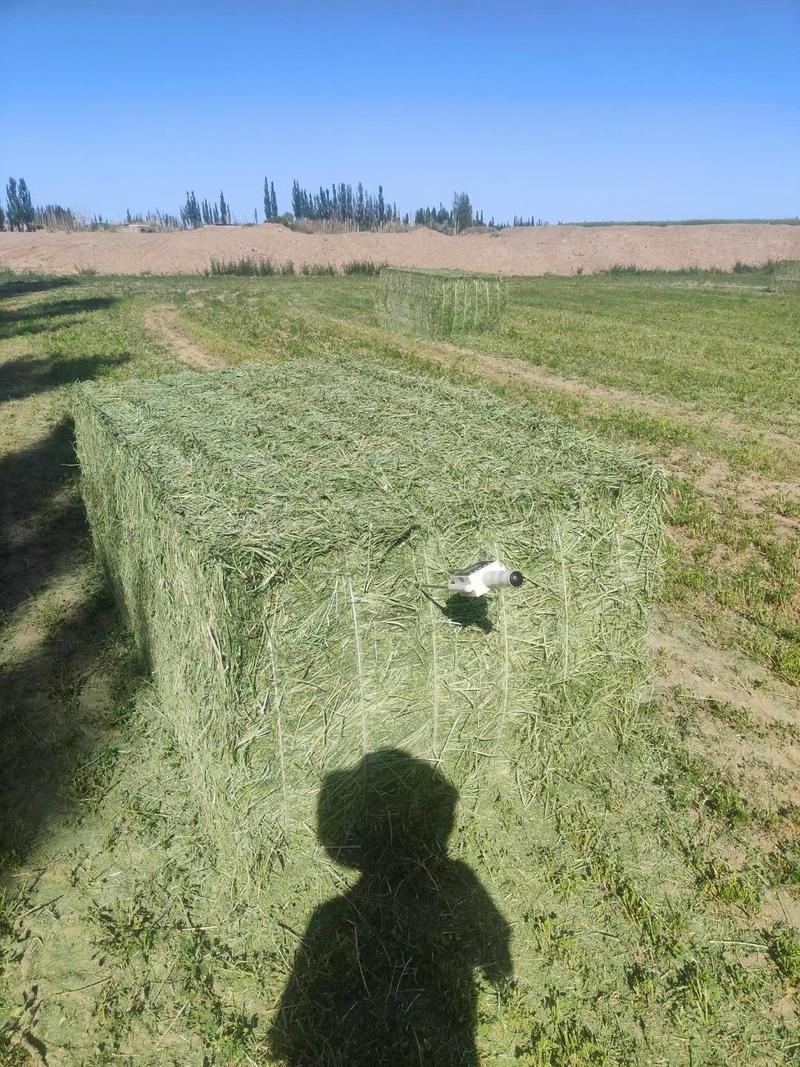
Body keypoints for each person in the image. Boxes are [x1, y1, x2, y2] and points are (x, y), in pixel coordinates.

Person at [270, 748, 513, 1066]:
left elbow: (290, 1032)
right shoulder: (454, 884)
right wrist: (499, 969)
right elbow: (497, 947)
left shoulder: (328, 919)